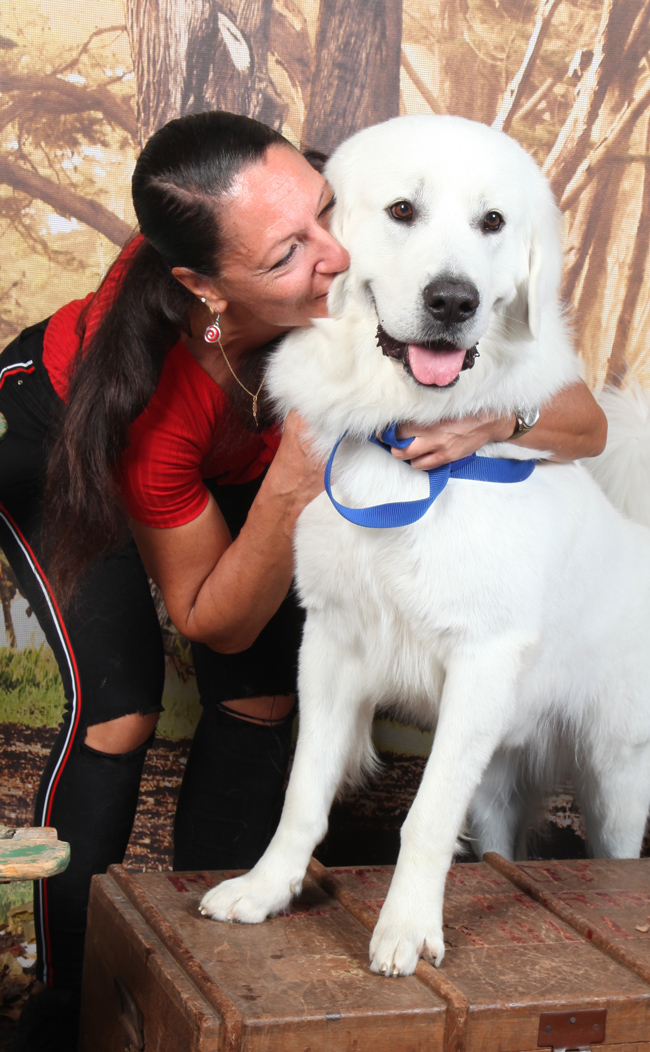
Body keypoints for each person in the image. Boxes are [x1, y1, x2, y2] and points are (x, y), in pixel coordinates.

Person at [1, 110, 606, 1050]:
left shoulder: (368, 211)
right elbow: (213, 621)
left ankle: (212, 956)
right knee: (119, 709)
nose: (333, 254)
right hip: (66, 432)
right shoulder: (165, 404)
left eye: (327, 209)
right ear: (209, 287)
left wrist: (492, 420)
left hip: (256, 437)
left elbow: (582, 422)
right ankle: (67, 998)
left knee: (261, 702)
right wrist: (292, 478)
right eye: (290, 252)